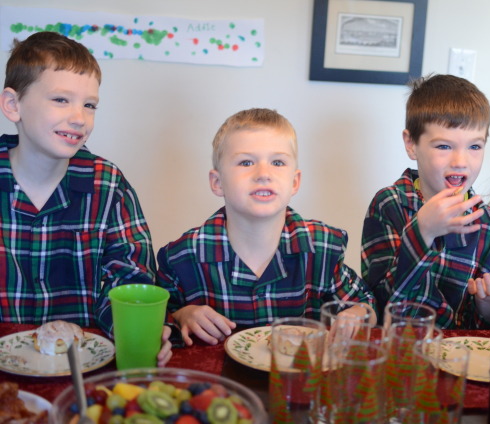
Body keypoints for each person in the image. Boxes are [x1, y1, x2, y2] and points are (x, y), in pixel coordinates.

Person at [0, 32, 172, 365]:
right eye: (60, 100)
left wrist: (134, 326)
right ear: (12, 105)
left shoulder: (108, 185)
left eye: (89, 105)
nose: (79, 117)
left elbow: (129, 277)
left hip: (86, 366)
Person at [156, 108, 375, 346]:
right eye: (246, 162)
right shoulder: (182, 257)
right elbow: (158, 318)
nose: (263, 174)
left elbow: (367, 304)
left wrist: (357, 313)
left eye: (277, 162)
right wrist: (181, 315)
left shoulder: (322, 248)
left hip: (299, 368)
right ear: (218, 183)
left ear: (294, 182)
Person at [361, 74, 490, 329]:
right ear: (411, 144)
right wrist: (421, 233)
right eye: (444, 146)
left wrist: (489, 304)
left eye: (474, 147)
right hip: (402, 349)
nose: (460, 161)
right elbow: (380, 307)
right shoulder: (389, 205)